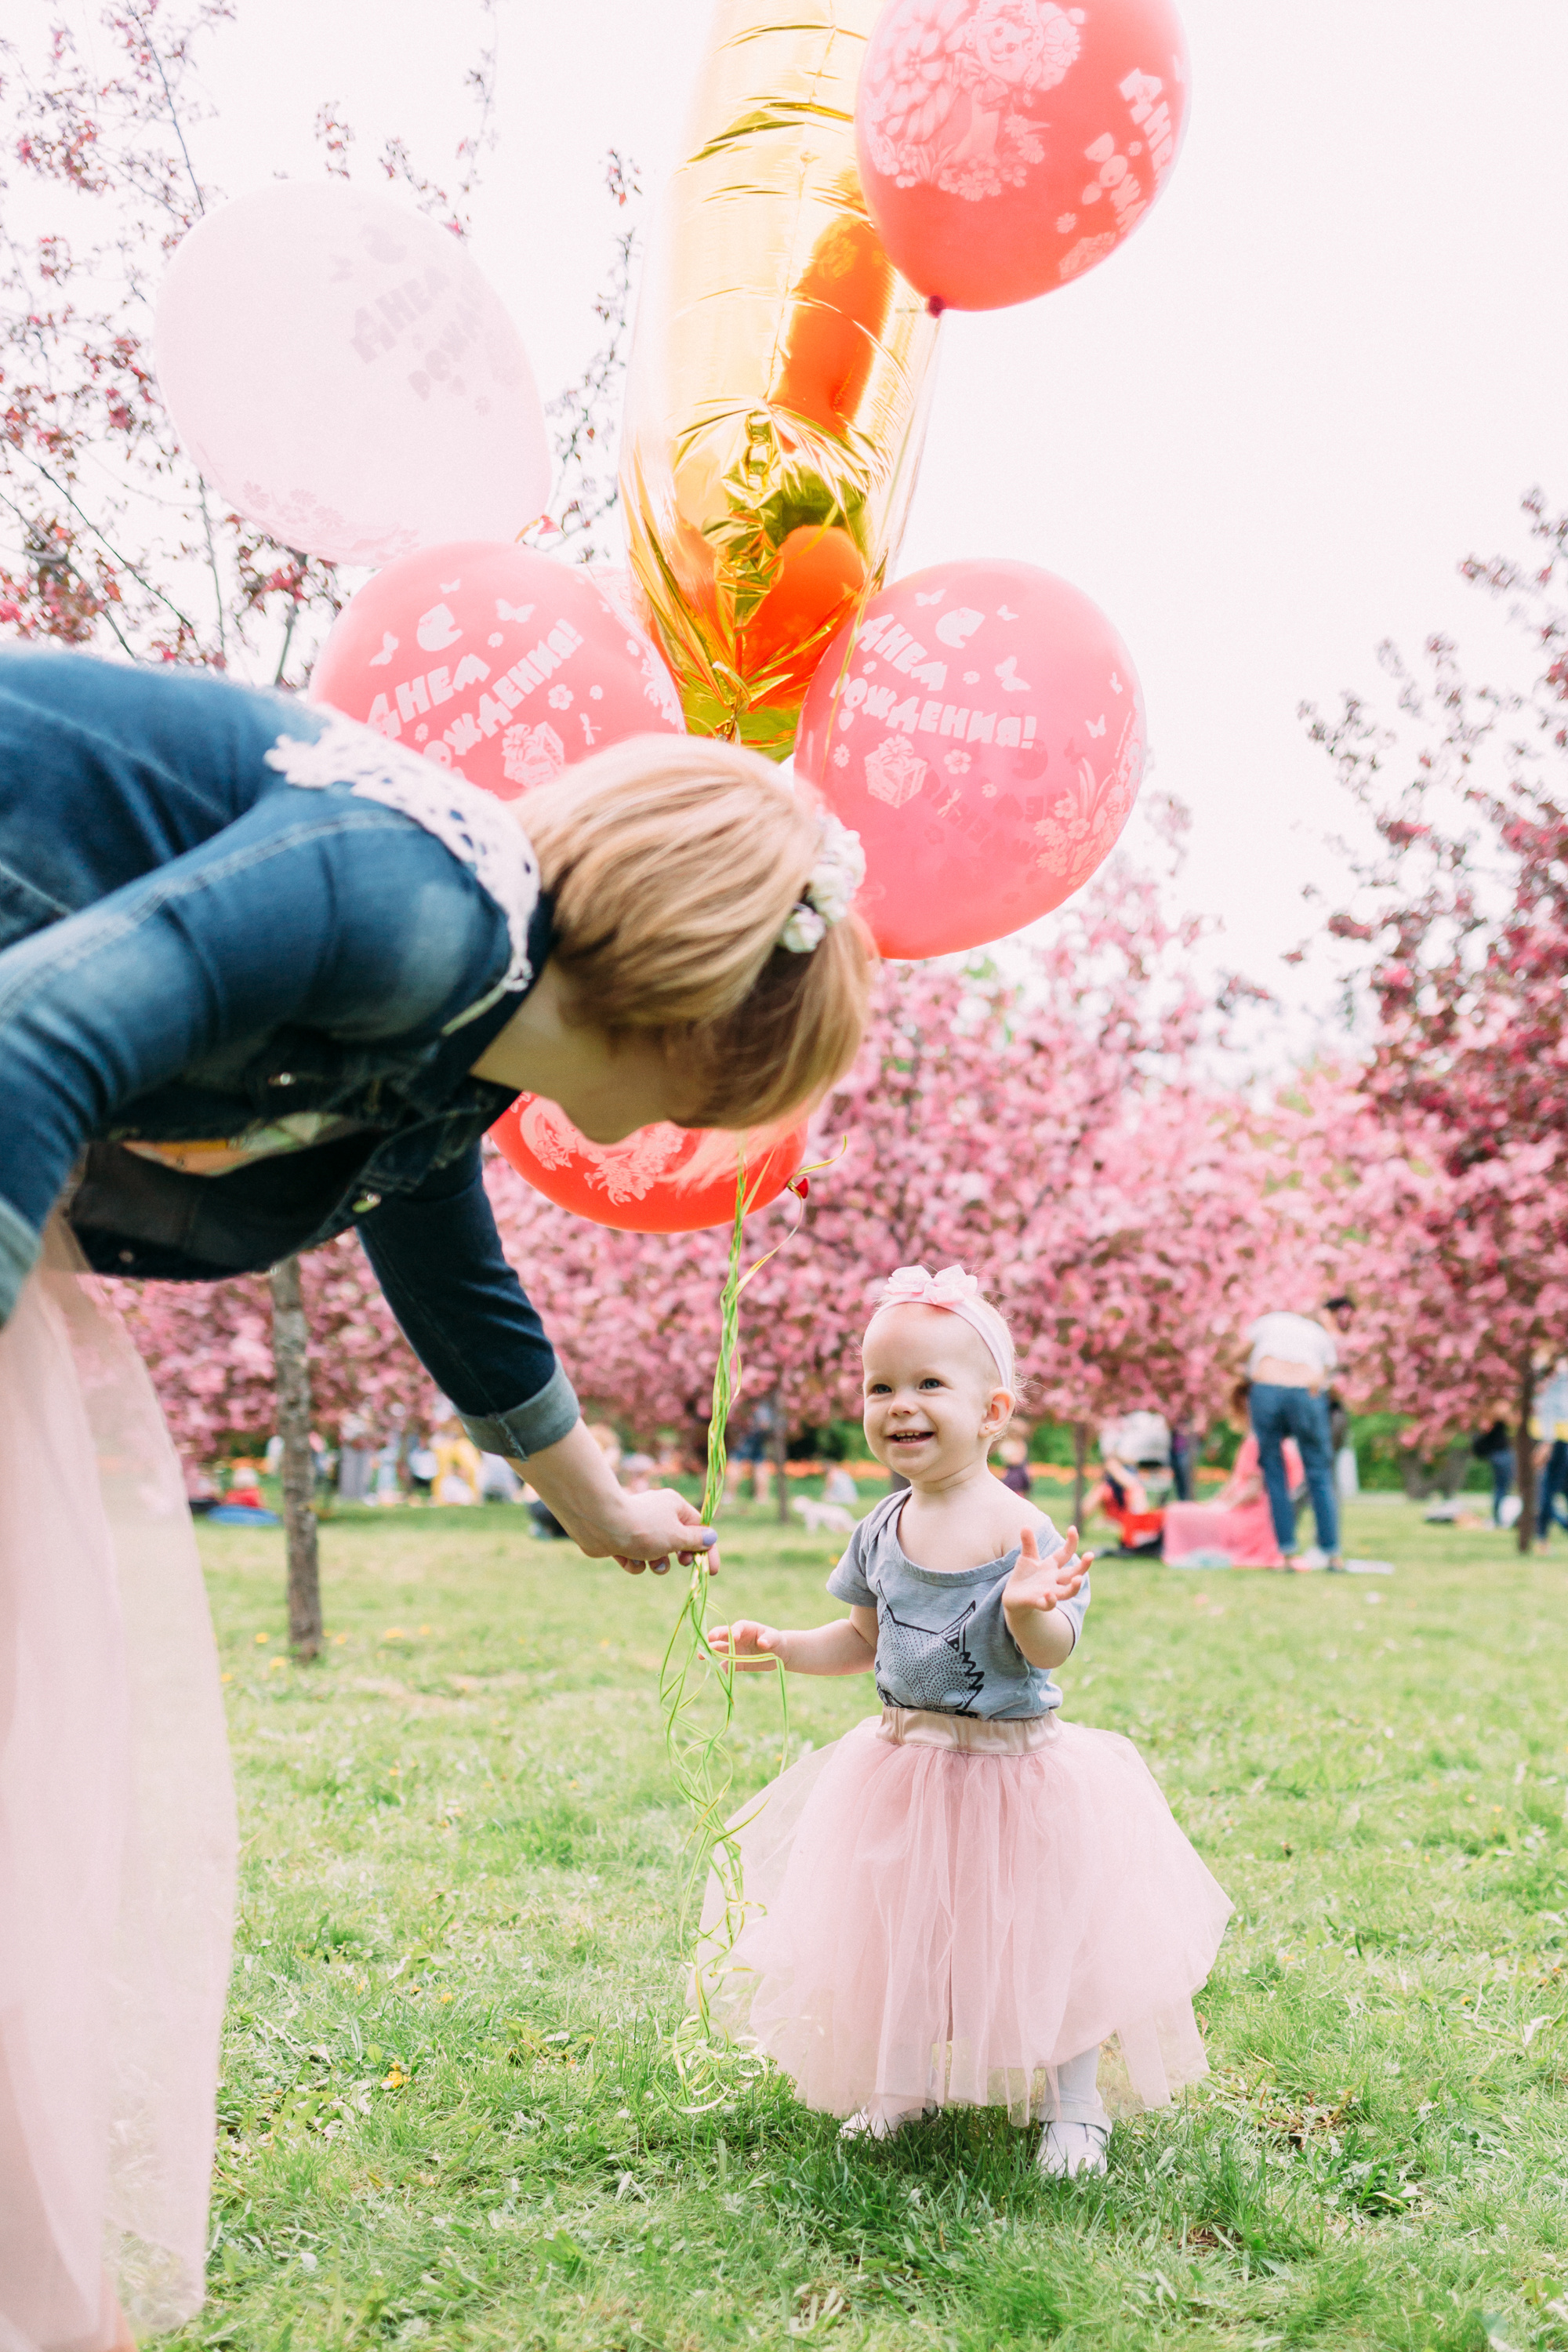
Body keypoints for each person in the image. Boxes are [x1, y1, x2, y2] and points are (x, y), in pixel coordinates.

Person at [0, 652, 873, 2352]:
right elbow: (30, 1046)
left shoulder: (457, 1032)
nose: (704, 1130)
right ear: (697, 1017)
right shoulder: (424, 902)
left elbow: (438, 1247)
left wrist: (593, 1499)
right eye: (733, 1084)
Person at [702, 1264, 1231, 2176]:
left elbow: (1052, 1647)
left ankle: (1074, 2104)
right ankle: (901, 2081)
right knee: (901, 1931)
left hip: (1011, 1774)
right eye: (880, 1387)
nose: (898, 1405)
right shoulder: (879, 1527)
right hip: (902, 1766)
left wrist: (1027, 1607)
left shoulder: (1017, 1530)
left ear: (991, 1412)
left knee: (1047, 1941)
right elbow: (864, 1640)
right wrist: (784, 1644)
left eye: (926, 1385)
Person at [1242, 1299, 1352, 1572]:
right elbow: (1325, 1374)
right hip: (1306, 1393)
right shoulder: (1319, 1334)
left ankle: (1287, 1553)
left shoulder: (1267, 1322)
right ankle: (1332, 1554)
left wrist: (1242, 1372)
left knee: (1274, 1473)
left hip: (1266, 1390)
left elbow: (1238, 1353)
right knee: (1319, 1473)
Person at [1163, 1385, 1305, 1569]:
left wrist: (1223, 1507)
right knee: (1181, 1511)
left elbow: (1252, 1491)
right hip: (1254, 1514)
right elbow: (1235, 1482)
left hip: (1251, 1518)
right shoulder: (1262, 1440)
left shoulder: (1262, 1442)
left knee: (1176, 1512)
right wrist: (1214, 1503)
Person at [1534, 1357, 1568, 1548]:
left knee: (1554, 1488)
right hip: (1555, 1440)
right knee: (1548, 1489)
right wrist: (1547, 1441)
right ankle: (1542, 1537)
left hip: (1559, 1439)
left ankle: (1545, 1534)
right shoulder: (1556, 1376)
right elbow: (1548, 1409)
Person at [1471, 1417, 1513, 1529]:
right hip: (1500, 1455)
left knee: (1501, 1488)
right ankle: (1498, 1518)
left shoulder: (1491, 1419)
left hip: (1498, 1455)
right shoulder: (1491, 1419)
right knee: (1501, 1488)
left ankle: (1498, 1518)